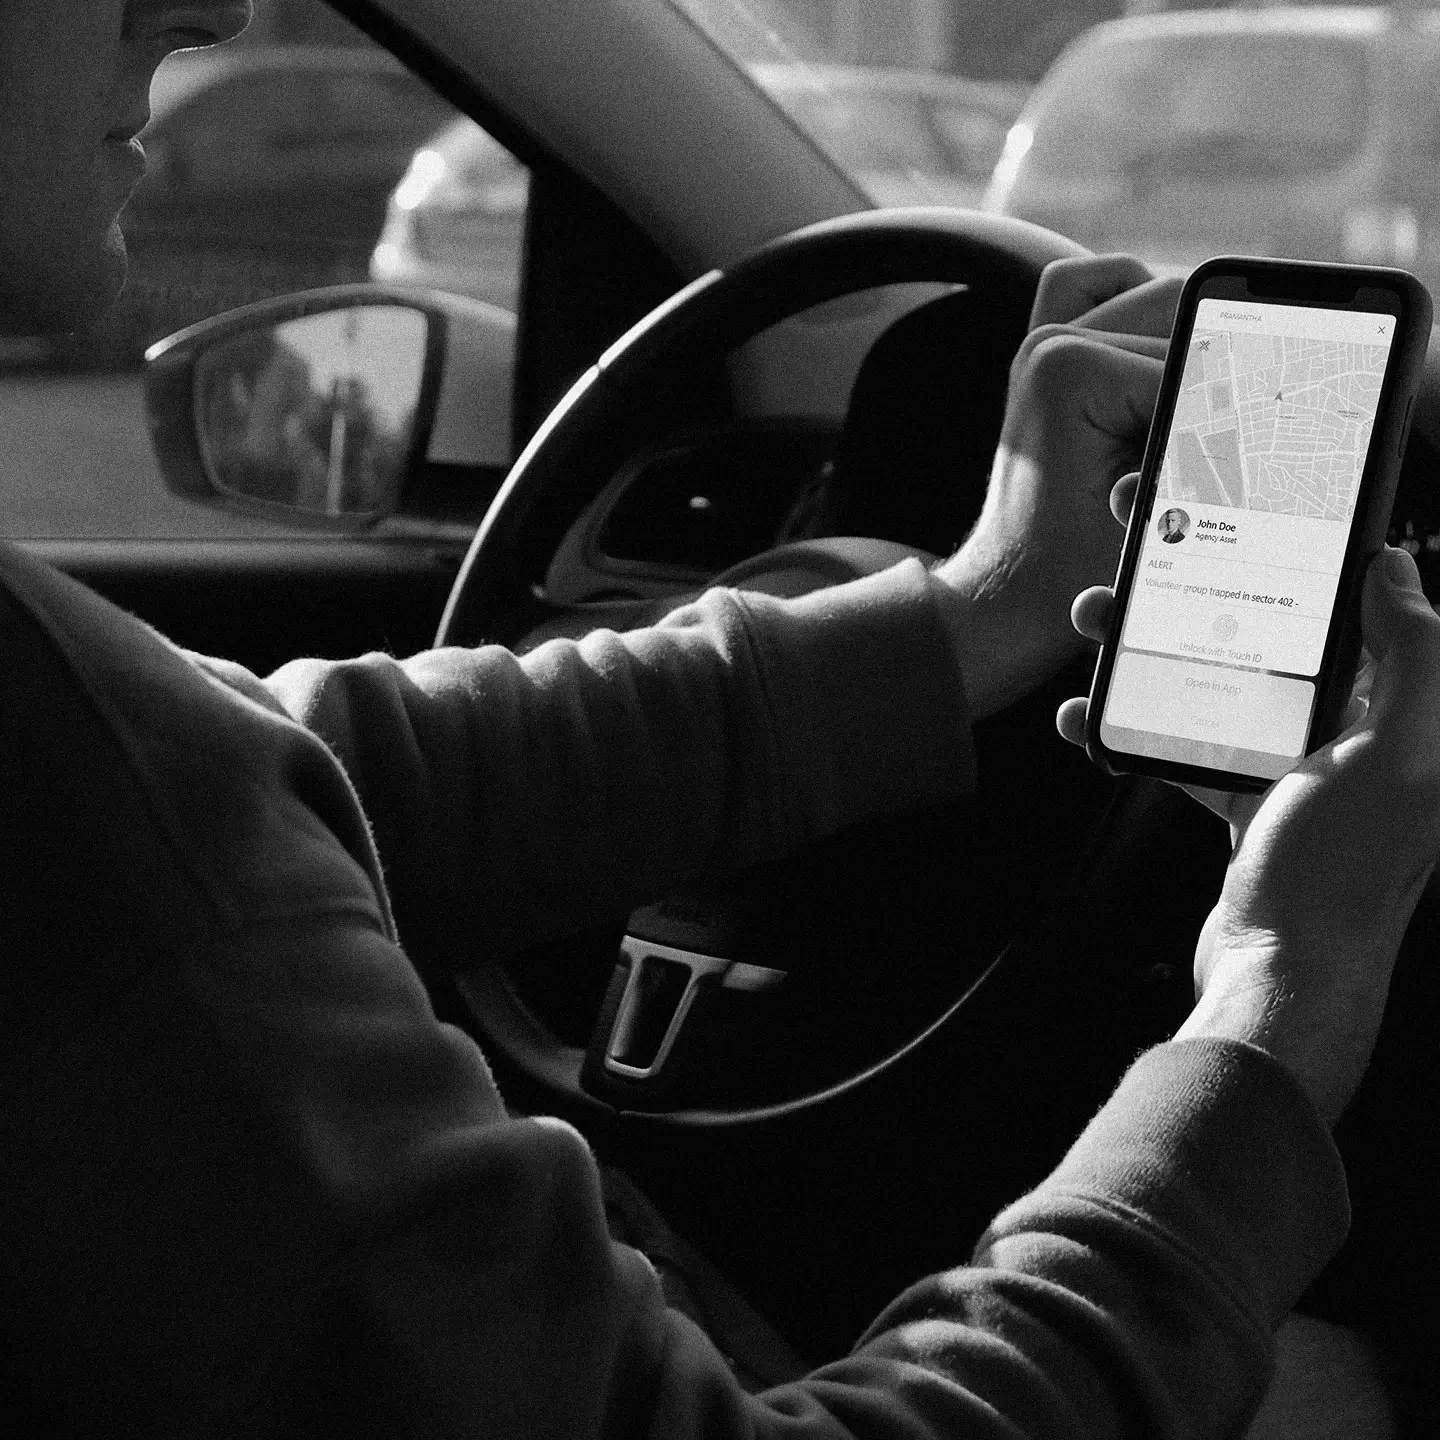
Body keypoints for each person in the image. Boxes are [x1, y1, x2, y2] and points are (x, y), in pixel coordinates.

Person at [1, 4, 1436, 1437]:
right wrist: (1283, 991)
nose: (205, 10)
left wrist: (969, 614)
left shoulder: (104, 765)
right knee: (1336, 1387)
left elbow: (321, 763)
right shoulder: (99, 811)